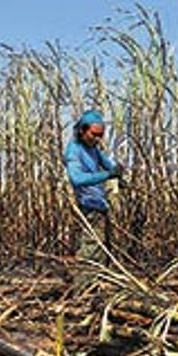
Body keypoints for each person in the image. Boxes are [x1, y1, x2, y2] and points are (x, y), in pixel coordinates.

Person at [63, 109, 122, 292]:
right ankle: (81, 291)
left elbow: (109, 165)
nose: (97, 139)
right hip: (88, 206)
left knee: (103, 249)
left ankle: (97, 288)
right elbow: (77, 178)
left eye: (101, 135)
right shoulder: (74, 150)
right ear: (82, 130)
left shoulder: (93, 149)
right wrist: (107, 175)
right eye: (94, 134)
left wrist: (117, 172)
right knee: (91, 250)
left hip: (100, 205)